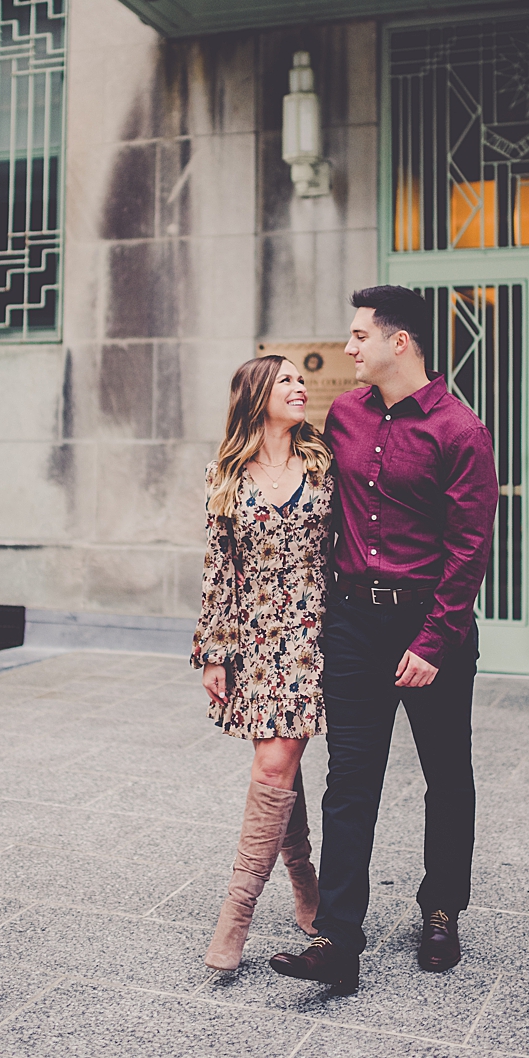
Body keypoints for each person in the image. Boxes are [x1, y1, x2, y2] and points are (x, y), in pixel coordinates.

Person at [270, 287, 498, 995]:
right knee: (350, 782)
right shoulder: (344, 415)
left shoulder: (460, 430)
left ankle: (440, 909)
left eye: (361, 336)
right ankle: (338, 940)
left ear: (401, 342)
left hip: (433, 627)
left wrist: (432, 642)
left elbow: (470, 548)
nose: (350, 349)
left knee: (446, 776)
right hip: (354, 627)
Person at [191, 354, 333, 974]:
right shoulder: (226, 474)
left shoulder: (325, 464)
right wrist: (215, 652)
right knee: (281, 766)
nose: (300, 387)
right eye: (286, 382)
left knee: (274, 760)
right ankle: (306, 884)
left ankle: (235, 916)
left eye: (303, 380)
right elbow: (218, 569)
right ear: (257, 395)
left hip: (315, 636)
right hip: (254, 639)